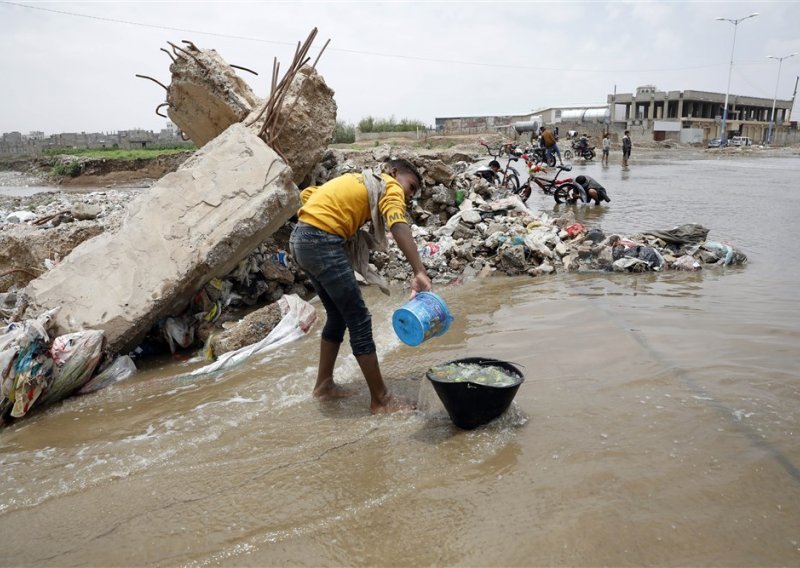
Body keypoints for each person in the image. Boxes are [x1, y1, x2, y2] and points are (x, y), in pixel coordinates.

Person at [289, 159, 432, 414]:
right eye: (410, 188)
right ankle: (382, 400)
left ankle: (324, 386)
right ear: (394, 172)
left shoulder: (357, 179)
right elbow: (398, 224)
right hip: (321, 240)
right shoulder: (389, 185)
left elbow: (309, 194)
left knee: (337, 316)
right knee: (359, 319)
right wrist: (419, 271)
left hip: (300, 238)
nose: (408, 197)